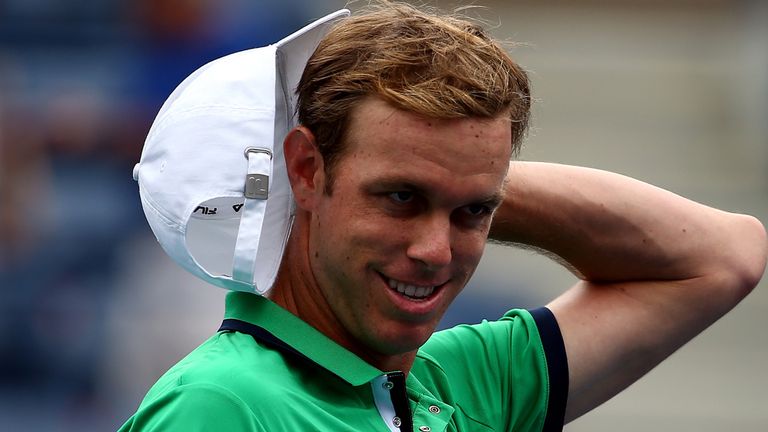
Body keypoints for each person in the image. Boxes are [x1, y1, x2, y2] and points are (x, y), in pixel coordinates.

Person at [120, 2, 767, 431]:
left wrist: (455, 177)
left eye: (473, 211)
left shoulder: (456, 382)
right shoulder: (221, 405)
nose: (435, 251)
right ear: (306, 171)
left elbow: (726, 257)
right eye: (401, 197)